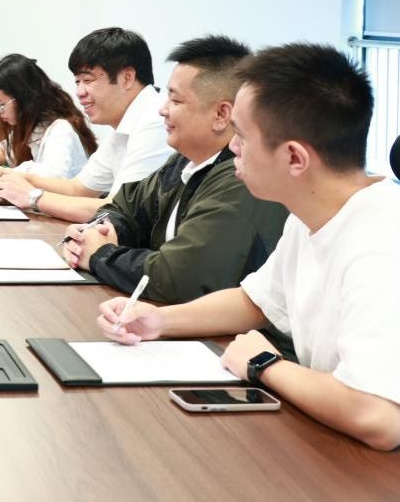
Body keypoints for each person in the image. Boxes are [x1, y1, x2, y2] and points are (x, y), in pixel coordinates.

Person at [97, 43, 400, 450]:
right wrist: (159, 320)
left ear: (294, 158)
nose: (233, 148)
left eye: (241, 135)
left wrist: (263, 363)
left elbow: (377, 416)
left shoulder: (380, 241)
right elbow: (255, 301)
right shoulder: (309, 215)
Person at [62, 36, 288, 305]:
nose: (163, 110)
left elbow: (180, 277)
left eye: (175, 100)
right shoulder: (183, 162)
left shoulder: (239, 179)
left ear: (221, 114)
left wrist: (100, 254)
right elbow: (126, 205)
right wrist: (108, 230)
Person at [0, 27, 172, 222]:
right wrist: (17, 177)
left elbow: (119, 211)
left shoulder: (155, 120)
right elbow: (78, 188)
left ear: (126, 78)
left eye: (87, 80)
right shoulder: (126, 126)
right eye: (77, 82)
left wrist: (33, 197)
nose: (80, 92)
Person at [0, 53, 96, 180]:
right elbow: (9, 150)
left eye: (1, 104)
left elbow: (52, 177)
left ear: (25, 98)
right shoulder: (32, 122)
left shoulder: (60, 129)